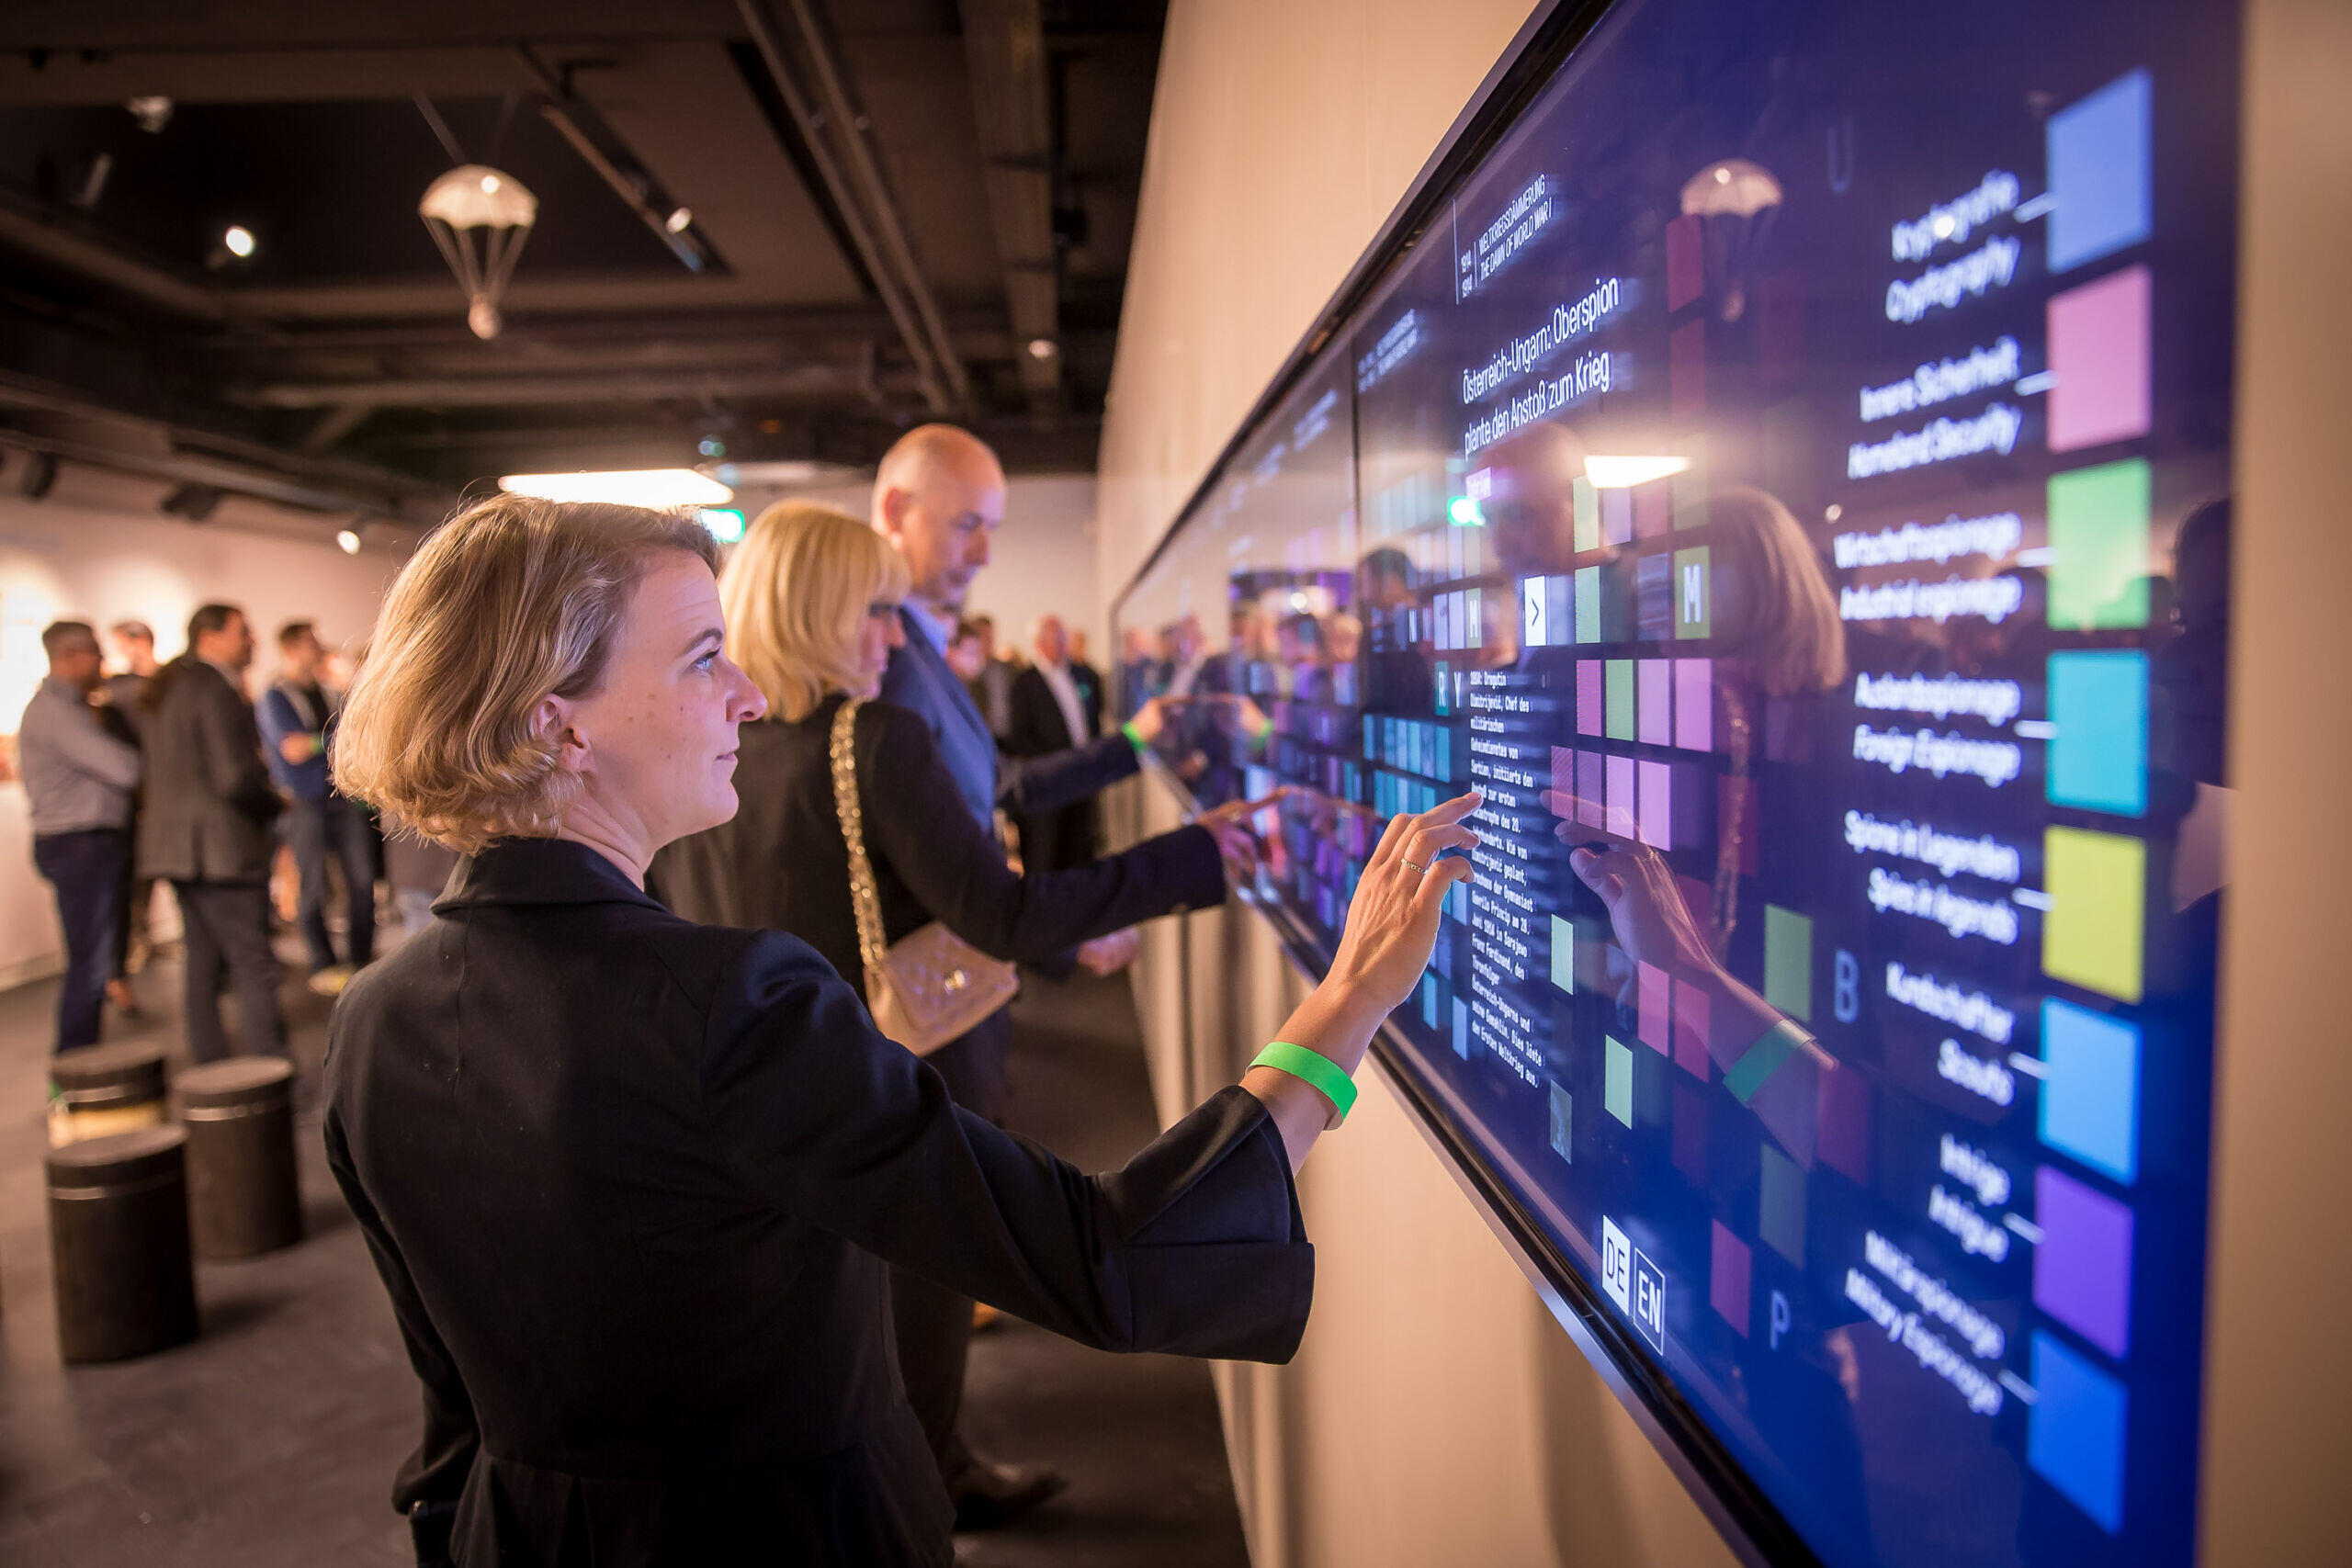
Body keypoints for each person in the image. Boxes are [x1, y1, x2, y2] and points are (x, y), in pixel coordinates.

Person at [323, 493, 1476, 1567]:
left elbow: (450, 1422)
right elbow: (1105, 1260)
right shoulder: (731, 1006)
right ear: (557, 727)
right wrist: (1346, 1008)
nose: (749, 694)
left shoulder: (372, 1019)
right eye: (699, 658)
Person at [867, 423, 1208, 1516]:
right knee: (921, 1261)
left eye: (993, 528)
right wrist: (1197, 859)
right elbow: (960, 876)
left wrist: (1126, 746)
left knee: (939, 1254)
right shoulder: (886, 676)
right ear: (894, 512)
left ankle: (936, 1462)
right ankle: (931, 1480)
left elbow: (990, 791)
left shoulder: (920, 652)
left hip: (962, 997)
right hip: (927, 1014)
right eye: (964, 522)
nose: (980, 549)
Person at [140, 603, 286, 1062]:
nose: (253, 641)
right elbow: (233, 779)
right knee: (252, 963)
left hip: (182, 851)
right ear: (210, 636)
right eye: (243, 631)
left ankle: (211, 1067)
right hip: (222, 850)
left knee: (201, 964)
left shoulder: (171, 688)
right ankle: (274, 1071)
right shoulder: (216, 689)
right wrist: (277, 802)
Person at [18, 621, 141, 1053]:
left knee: (95, 956)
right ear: (69, 656)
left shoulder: (71, 708)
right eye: (94, 652)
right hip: (79, 846)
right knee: (89, 961)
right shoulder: (55, 711)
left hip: (83, 844)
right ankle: (75, 1068)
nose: (103, 662)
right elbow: (126, 770)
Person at [258, 619, 375, 993]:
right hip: (305, 804)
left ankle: (360, 960)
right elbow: (291, 749)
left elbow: (356, 734)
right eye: (310, 642)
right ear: (291, 648)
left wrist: (318, 741)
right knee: (312, 886)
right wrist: (331, 740)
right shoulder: (276, 697)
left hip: (343, 797)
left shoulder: (331, 693)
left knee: (362, 881)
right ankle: (322, 964)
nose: (319, 646)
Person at [1004, 614, 1100, 873]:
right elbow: (1021, 737)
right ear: (1040, 644)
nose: (1062, 645)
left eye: (1063, 639)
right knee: (1048, 853)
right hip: (1050, 783)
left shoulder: (1081, 675)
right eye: (1056, 640)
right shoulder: (1024, 683)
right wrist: (1059, 766)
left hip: (1084, 778)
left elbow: (1093, 719)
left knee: (1082, 849)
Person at [102, 618, 162, 993]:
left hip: (162, 795)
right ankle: (136, 942)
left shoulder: (165, 684)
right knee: (136, 882)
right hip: (137, 799)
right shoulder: (116, 688)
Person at [1066, 626, 1106, 739]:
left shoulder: (1092, 674)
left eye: (1078, 644)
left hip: (1090, 731)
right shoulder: (1063, 674)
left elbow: (1099, 706)